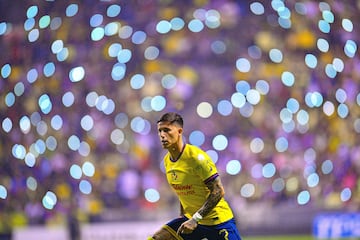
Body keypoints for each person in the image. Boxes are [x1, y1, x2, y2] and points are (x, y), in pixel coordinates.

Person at [148, 112, 242, 240]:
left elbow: (218, 191)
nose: (162, 135)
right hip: (191, 220)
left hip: (217, 222)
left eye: (167, 130)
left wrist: (195, 219)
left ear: (179, 131)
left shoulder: (197, 158)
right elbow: (183, 189)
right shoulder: (167, 161)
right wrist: (183, 215)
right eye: (159, 131)